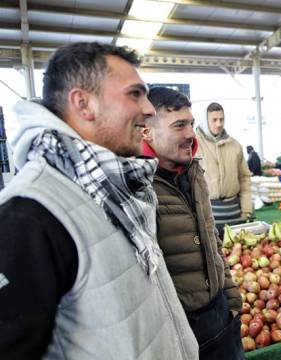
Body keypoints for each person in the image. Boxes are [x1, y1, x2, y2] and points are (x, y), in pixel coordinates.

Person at [0, 42, 198, 359]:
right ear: (84, 104)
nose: (148, 109)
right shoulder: (29, 215)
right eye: (134, 94)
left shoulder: (123, 190)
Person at [142, 87, 243, 359]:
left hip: (219, 315)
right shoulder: (138, 188)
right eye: (179, 126)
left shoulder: (193, 171)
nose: (190, 134)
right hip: (177, 325)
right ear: (146, 132)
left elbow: (212, 240)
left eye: (191, 124)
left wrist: (231, 298)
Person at [196, 102, 252, 233]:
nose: (219, 124)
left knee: (237, 252)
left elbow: (244, 178)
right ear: (205, 121)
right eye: (214, 120)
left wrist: (246, 209)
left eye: (221, 119)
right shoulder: (193, 146)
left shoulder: (235, 145)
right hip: (207, 215)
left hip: (234, 213)